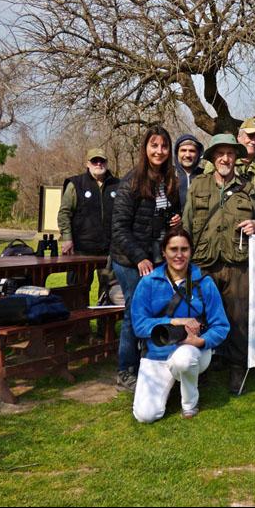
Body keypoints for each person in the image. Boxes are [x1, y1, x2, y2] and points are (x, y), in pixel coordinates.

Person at [182, 133, 255, 395]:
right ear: (212, 158)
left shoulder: (247, 188)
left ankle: (237, 368)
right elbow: (186, 224)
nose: (225, 158)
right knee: (199, 317)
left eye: (230, 153)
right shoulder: (199, 185)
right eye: (220, 154)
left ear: (236, 157)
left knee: (238, 318)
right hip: (203, 262)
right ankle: (199, 368)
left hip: (237, 263)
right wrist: (184, 262)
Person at [130, 227, 230, 422]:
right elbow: (139, 325)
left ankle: (189, 404)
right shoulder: (149, 282)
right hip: (156, 353)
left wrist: (201, 341)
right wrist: (174, 321)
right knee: (145, 416)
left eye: (184, 249)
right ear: (163, 252)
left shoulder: (204, 282)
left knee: (184, 360)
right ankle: (172, 384)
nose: (179, 255)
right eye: (173, 249)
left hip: (193, 351)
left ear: (191, 252)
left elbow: (221, 326)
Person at [110, 126, 181, 393]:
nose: (159, 151)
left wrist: (175, 219)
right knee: (134, 312)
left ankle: (150, 364)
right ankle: (125, 371)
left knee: (158, 310)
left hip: (155, 258)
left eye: (164, 146)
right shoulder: (131, 182)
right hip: (130, 260)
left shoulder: (169, 181)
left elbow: (164, 216)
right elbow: (119, 228)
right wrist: (139, 257)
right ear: (145, 148)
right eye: (154, 145)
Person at [58, 147, 120, 292]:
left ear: (107, 163)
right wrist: (67, 238)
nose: (98, 164)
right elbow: (64, 213)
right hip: (81, 249)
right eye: (94, 161)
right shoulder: (75, 184)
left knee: (110, 292)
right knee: (77, 292)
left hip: (109, 250)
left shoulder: (118, 185)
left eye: (102, 161)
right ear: (88, 163)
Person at [174, 134, 205, 206]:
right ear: (177, 153)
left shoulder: (206, 176)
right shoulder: (169, 175)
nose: (187, 155)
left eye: (192, 151)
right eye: (183, 150)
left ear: (198, 154)